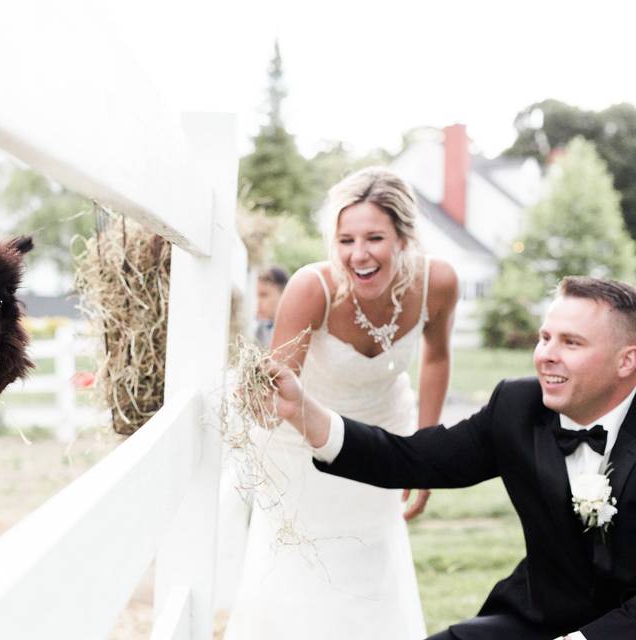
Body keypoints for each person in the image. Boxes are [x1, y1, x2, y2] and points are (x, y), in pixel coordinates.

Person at [269, 275, 636, 640]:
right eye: (545, 338)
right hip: (534, 620)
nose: (546, 355)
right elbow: (412, 459)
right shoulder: (516, 406)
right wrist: (303, 411)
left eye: (571, 343)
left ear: (626, 361)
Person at [225, 167, 459, 639]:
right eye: (346, 239)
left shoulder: (439, 282)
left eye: (374, 237)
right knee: (300, 575)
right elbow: (276, 389)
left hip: (387, 439)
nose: (359, 254)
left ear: (403, 237)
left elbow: (436, 358)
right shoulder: (314, 288)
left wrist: (425, 459)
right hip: (301, 449)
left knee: (371, 569)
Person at [254, 266, 289, 347]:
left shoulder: (298, 330)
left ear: (283, 294)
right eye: (258, 296)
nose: (258, 302)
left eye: (264, 295)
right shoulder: (260, 328)